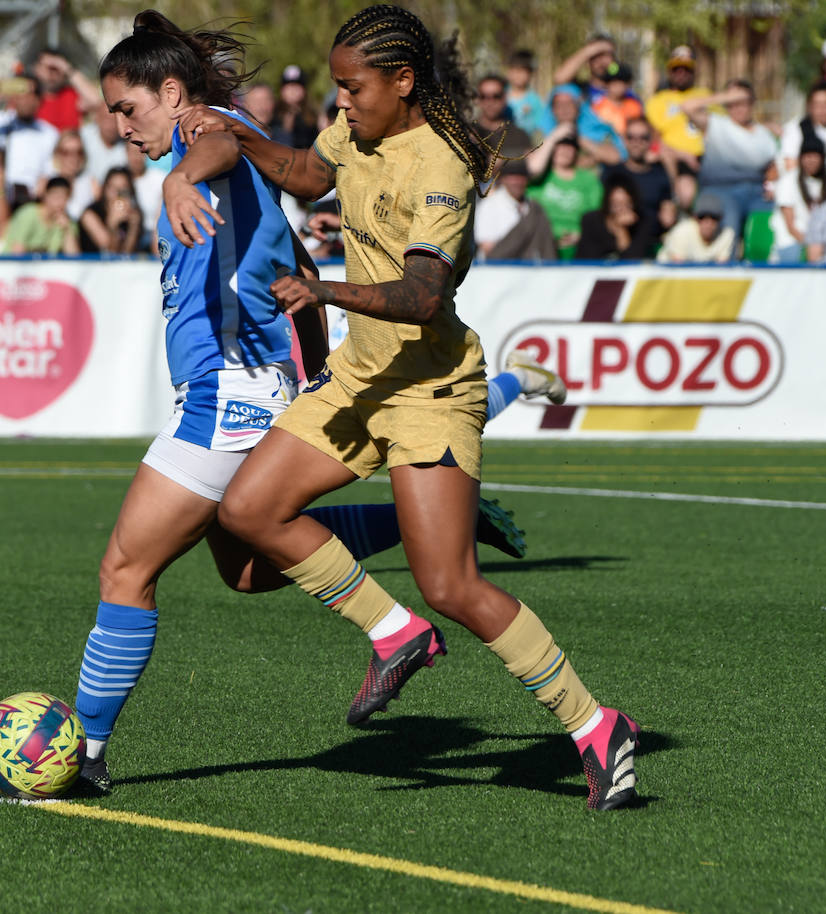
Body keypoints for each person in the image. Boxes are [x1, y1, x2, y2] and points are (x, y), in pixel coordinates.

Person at [70, 10, 555, 796]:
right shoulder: (216, 140)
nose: (120, 127)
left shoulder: (208, 131)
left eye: (128, 109)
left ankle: (83, 753)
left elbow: (221, 143)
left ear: (169, 92)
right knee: (250, 571)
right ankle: (419, 519)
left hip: (231, 393)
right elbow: (286, 228)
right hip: (238, 386)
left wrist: (179, 175)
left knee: (126, 566)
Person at [183, 3, 639, 811]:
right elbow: (309, 173)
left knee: (452, 586)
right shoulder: (355, 130)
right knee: (246, 510)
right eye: (337, 88)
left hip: (429, 390)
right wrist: (244, 141)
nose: (343, 102)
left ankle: (595, 724)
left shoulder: (442, 166)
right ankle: (394, 635)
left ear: (403, 81)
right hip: (361, 376)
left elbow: (426, 295)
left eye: (354, 87)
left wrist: (324, 285)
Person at [683, 79, 777, 244]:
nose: (738, 107)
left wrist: (773, 184)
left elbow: (773, 166)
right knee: (728, 228)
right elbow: (687, 107)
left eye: (744, 102)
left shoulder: (764, 134)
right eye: (733, 103)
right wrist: (724, 97)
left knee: (774, 221)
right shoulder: (715, 124)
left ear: (752, 103)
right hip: (720, 190)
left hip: (757, 192)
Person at [0, 74, 59, 205]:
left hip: (32, 199)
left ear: (38, 99)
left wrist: (45, 182)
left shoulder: (49, 133)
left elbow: (52, 168)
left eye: (30, 94)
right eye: (21, 93)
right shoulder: (0, 121)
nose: (25, 99)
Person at [526, 129, 603, 258]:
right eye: (560, 146)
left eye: (570, 147)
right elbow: (532, 168)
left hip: (580, 245)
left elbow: (597, 214)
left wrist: (580, 235)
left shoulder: (589, 179)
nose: (565, 151)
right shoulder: (539, 177)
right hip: (543, 244)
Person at [602, 117, 677, 232]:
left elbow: (668, 210)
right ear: (624, 140)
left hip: (651, 238)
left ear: (651, 141)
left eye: (643, 138)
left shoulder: (660, 175)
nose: (637, 142)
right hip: (616, 236)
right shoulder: (611, 173)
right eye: (631, 137)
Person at [645, 46, 711, 176]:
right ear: (669, 71)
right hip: (672, 160)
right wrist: (682, 155)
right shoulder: (657, 101)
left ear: (694, 71)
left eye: (686, 69)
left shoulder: (706, 95)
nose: (681, 73)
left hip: (706, 157)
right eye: (676, 69)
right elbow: (654, 139)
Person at [473, 158, 556, 260]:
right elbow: (488, 248)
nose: (518, 181)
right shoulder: (489, 205)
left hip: (532, 270)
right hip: (498, 269)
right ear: (503, 179)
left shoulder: (535, 207)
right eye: (513, 176)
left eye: (522, 177)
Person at [770, 137, 826, 262]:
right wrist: (812, 245)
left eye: (816, 156)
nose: (812, 161)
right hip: (791, 243)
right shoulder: (789, 181)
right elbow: (791, 227)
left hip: (822, 243)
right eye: (808, 156)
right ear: (801, 158)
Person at [534, 83, 624, 165]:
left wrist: (577, 138)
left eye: (569, 103)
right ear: (552, 110)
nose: (564, 109)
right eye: (559, 105)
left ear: (579, 108)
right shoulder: (540, 134)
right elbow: (531, 161)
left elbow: (615, 157)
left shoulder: (597, 130)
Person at [574, 173, 658, 260]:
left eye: (627, 204)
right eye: (616, 204)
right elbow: (588, 259)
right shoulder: (591, 220)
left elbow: (633, 260)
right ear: (607, 202)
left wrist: (621, 230)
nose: (622, 210)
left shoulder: (643, 221)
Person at [778, 82, 826, 175]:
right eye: (818, 105)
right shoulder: (796, 128)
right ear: (809, 106)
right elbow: (790, 164)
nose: (822, 110)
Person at [0, 176, 80, 254]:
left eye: (64, 197)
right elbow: (17, 251)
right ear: (46, 195)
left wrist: (67, 230)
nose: (60, 202)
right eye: (56, 196)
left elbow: (73, 258)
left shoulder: (67, 221)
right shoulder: (28, 214)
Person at [78, 165, 144, 254]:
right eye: (112, 187)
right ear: (105, 189)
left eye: (123, 188)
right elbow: (110, 254)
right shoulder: (90, 214)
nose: (117, 193)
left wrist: (134, 228)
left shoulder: (133, 214)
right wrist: (112, 225)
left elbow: (127, 255)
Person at [656, 192, 735, 263]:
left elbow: (722, 268)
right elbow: (678, 269)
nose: (708, 223)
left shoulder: (726, 234)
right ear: (695, 218)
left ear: (720, 219)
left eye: (714, 218)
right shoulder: (682, 232)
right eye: (702, 217)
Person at [552, 35, 622, 106]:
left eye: (607, 55)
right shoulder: (581, 90)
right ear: (587, 61)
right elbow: (559, 79)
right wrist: (591, 49)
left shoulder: (623, 92)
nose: (602, 61)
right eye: (596, 56)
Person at [473, 73, 531, 155]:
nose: (490, 102)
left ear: (505, 98)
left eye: (496, 96)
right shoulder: (468, 133)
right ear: (478, 99)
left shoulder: (520, 136)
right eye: (484, 96)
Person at [271, 65, 321, 149]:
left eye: (297, 85)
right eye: (288, 85)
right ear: (281, 89)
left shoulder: (312, 115)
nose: (292, 90)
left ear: (304, 90)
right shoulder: (272, 112)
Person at [591, 62, 642, 140]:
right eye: (613, 82)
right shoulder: (596, 105)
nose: (617, 86)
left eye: (622, 82)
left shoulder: (635, 106)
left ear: (628, 84)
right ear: (606, 84)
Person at [503, 50, 543, 140]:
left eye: (524, 71)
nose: (519, 75)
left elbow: (540, 128)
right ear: (509, 71)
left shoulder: (535, 101)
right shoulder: (499, 95)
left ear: (531, 74)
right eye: (516, 70)